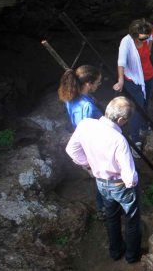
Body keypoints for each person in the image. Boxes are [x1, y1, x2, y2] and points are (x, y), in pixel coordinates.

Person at [65, 96, 141, 264]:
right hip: (120, 184)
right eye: (126, 120)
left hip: (101, 182)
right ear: (121, 119)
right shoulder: (119, 140)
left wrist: (88, 165)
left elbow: (71, 150)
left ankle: (115, 252)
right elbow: (129, 175)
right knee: (132, 219)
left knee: (112, 217)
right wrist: (133, 184)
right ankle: (132, 256)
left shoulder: (85, 125)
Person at [57, 65, 106, 221]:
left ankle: (103, 205)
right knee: (102, 176)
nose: (99, 84)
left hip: (88, 141)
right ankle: (103, 207)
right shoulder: (87, 107)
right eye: (97, 82)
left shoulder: (73, 97)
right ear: (88, 84)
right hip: (93, 144)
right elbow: (86, 130)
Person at [114, 19, 153, 151]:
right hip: (134, 80)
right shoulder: (126, 42)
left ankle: (144, 126)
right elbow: (121, 62)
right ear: (134, 36)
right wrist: (121, 80)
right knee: (137, 109)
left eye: (147, 37)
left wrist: (147, 49)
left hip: (149, 76)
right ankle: (135, 138)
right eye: (143, 39)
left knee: (146, 103)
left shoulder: (147, 35)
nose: (146, 40)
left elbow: (150, 42)